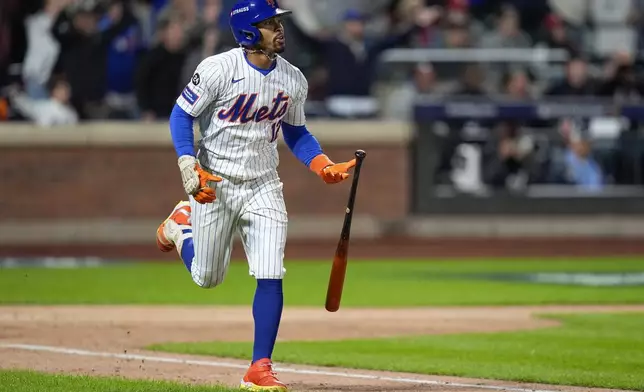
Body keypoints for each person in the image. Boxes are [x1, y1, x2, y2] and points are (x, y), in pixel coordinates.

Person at [154, 0, 357, 390]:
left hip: (264, 184)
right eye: (268, 24)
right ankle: (181, 228)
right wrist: (185, 161)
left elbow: (295, 131)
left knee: (270, 273)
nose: (279, 30)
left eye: (278, 23)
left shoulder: (293, 78)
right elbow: (182, 114)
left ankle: (259, 367)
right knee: (208, 277)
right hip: (215, 182)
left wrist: (322, 165)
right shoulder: (217, 69)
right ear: (248, 32)